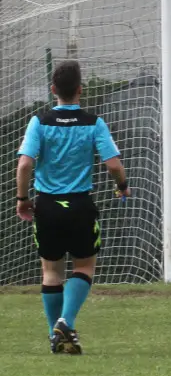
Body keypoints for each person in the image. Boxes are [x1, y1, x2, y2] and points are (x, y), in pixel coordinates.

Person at [16, 60, 130, 354]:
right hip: (80, 205)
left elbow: (26, 163)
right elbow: (114, 165)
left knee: (51, 272)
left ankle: (56, 332)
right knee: (84, 266)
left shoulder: (39, 122)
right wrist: (121, 186)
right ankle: (65, 323)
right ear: (81, 90)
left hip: (48, 206)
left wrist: (22, 199)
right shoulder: (94, 123)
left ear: (53, 90)